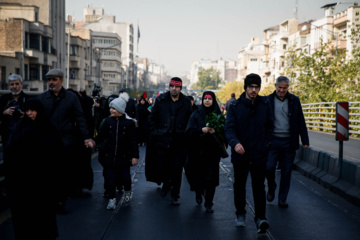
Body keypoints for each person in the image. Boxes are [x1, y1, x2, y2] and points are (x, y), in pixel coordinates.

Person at [37, 68, 95, 213]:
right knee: (49, 173)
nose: (51, 82)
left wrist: (87, 137)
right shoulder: (41, 99)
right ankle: (51, 200)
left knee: (63, 172)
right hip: (48, 141)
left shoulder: (71, 97)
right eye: (49, 80)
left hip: (66, 141)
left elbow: (80, 118)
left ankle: (61, 201)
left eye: (54, 79)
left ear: (61, 81)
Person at [4, 98, 63, 239]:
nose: (29, 113)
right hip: (23, 181)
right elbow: (11, 153)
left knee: (43, 215)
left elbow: (58, 154)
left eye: (33, 110)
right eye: (27, 110)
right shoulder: (20, 128)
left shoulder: (49, 128)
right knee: (25, 218)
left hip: (43, 181)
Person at [225, 73, 274, 234]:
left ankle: (260, 218)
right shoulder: (235, 107)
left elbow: (270, 127)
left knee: (259, 187)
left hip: (259, 154)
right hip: (240, 155)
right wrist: (235, 143)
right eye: (251, 87)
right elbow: (229, 129)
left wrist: (266, 144)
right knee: (239, 186)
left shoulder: (265, 105)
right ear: (245, 87)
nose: (254, 90)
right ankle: (240, 213)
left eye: (256, 87)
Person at [146, 77, 192, 205]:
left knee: (177, 169)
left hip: (179, 141)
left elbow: (190, 119)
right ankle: (166, 184)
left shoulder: (186, 102)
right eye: (172, 86)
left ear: (180, 88)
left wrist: (186, 134)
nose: (174, 88)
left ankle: (175, 195)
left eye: (177, 87)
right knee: (163, 167)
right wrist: (156, 132)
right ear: (169, 87)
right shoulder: (161, 100)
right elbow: (152, 118)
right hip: (163, 140)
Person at [265, 76, 309, 208]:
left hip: (289, 142)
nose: (282, 90)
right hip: (272, 141)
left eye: (284, 88)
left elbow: (300, 120)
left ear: (288, 87)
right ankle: (271, 187)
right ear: (275, 86)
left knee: (286, 171)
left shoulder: (294, 100)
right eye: (279, 87)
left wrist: (305, 140)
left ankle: (282, 199)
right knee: (269, 167)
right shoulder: (267, 100)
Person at [93, 92, 139, 209]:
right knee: (110, 180)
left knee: (126, 178)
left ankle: (128, 191)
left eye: (114, 108)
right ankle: (112, 199)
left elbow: (133, 141)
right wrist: (93, 142)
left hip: (124, 157)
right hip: (109, 157)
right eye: (110, 108)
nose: (111, 110)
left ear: (120, 109)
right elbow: (101, 136)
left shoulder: (129, 123)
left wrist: (135, 156)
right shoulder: (108, 121)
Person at [185, 91, 226, 213]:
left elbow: (224, 133)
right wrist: (201, 130)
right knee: (198, 176)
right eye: (205, 98)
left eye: (210, 98)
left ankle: (209, 202)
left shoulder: (218, 115)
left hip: (213, 153)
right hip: (197, 152)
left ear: (213, 100)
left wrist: (216, 133)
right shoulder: (196, 114)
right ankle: (198, 192)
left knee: (211, 178)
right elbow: (188, 132)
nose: (207, 100)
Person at [0, 74, 31, 148]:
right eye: (12, 84)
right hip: (7, 135)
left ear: (22, 84)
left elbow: (36, 116)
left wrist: (25, 115)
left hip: (24, 136)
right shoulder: (3, 99)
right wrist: (4, 112)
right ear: (9, 86)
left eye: (17, 84)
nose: (14, 87)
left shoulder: (29, 99)